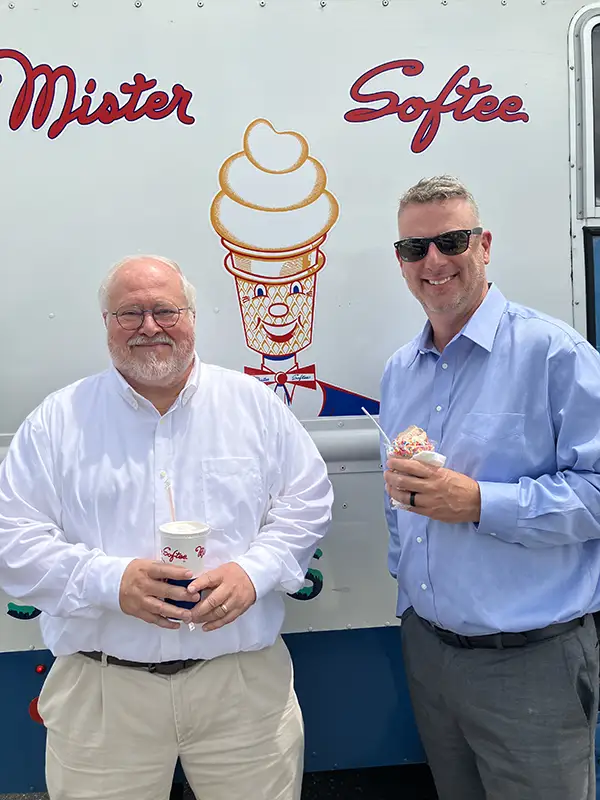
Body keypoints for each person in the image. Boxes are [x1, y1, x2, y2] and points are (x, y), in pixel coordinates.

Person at [0, 254, 333, 800]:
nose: (149, 326)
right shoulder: (57, 421)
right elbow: (12, 540)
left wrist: (255, 571)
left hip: (241, 689)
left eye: (165, 310)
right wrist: (111, 582)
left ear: (193, 317)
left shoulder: (253, 406)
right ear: (105, 323)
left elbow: (309, 501)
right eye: (129, 313)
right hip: (104, 694)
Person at [379, 175, 600, 800]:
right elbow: (401, 503)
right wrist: (411, 609)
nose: (434, 261)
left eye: (451, 241)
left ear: (484, 245)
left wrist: (479, 503)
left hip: (531, 662)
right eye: (414, 248)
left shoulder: (552, 353)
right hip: (431, 653)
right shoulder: (401, 371)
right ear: (400, 261)